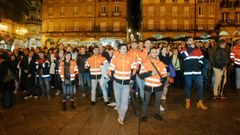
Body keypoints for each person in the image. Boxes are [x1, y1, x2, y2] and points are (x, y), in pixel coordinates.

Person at [108, 43, 136, 125]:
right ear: (119, 50)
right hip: (117, 84)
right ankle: (120, 115)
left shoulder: (130, 59)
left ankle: (121, 117)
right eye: (123, 48)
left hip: (126, 84)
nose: (125, 49)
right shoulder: (115, 59)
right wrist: (113, 80)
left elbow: (134, 68)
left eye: (126, 48)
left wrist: (132, 78)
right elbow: (110, 71)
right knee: (118, 101)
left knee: (125, 102)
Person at [140, 47, 167, 122]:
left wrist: (162, 85)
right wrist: (150, 73)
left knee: (158, 101)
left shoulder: (161, 64)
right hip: (148, 86)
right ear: (150, 53)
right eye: (152, 52)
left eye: (155, 52)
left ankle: (157, 114)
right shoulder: (145, 64)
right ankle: (144, 115)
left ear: (157, 53)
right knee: (146, 101)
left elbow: (164, 76)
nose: (154, 53)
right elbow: (141, 75)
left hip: (158, 86)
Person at [181, 37, 207, 110]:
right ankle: (187, 101)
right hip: (188, 72)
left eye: (192, 40)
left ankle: (200, 102)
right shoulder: (184, 49)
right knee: (188, 87)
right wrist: (191, 48)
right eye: (189, 40)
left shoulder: (198, 49)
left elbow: (202, 58)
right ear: (186, 42)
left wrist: (199, 64)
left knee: (200, 86)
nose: (191, 41)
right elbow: (184, 56)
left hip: (197, 72)